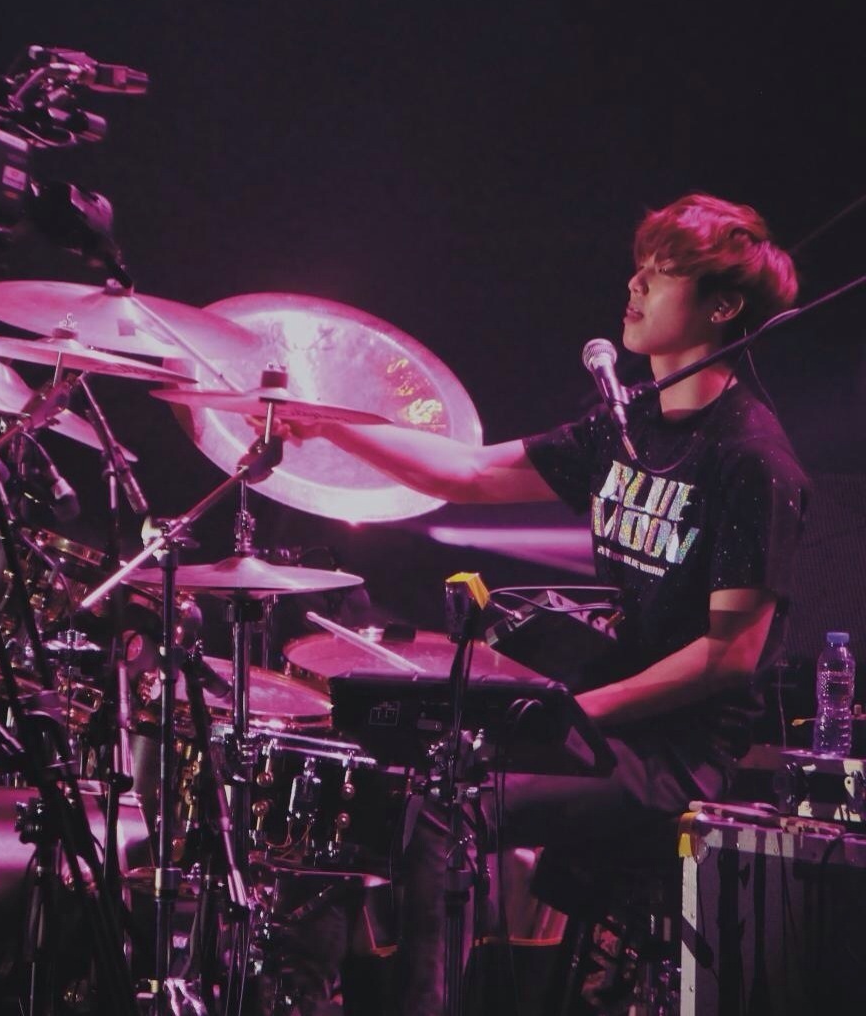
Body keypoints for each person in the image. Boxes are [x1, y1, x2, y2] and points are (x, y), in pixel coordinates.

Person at [273, 193, 809, 1014]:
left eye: (662, 273)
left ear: (722, 307)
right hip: (600, 723)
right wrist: (326, 422)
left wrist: (568, 712)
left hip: (678, 756)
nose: (634, 284)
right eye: (639, 266)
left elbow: (726, 654)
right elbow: (470, 471)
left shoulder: (750, 459)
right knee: (393, 766)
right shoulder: (631, 424)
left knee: (447, 805)